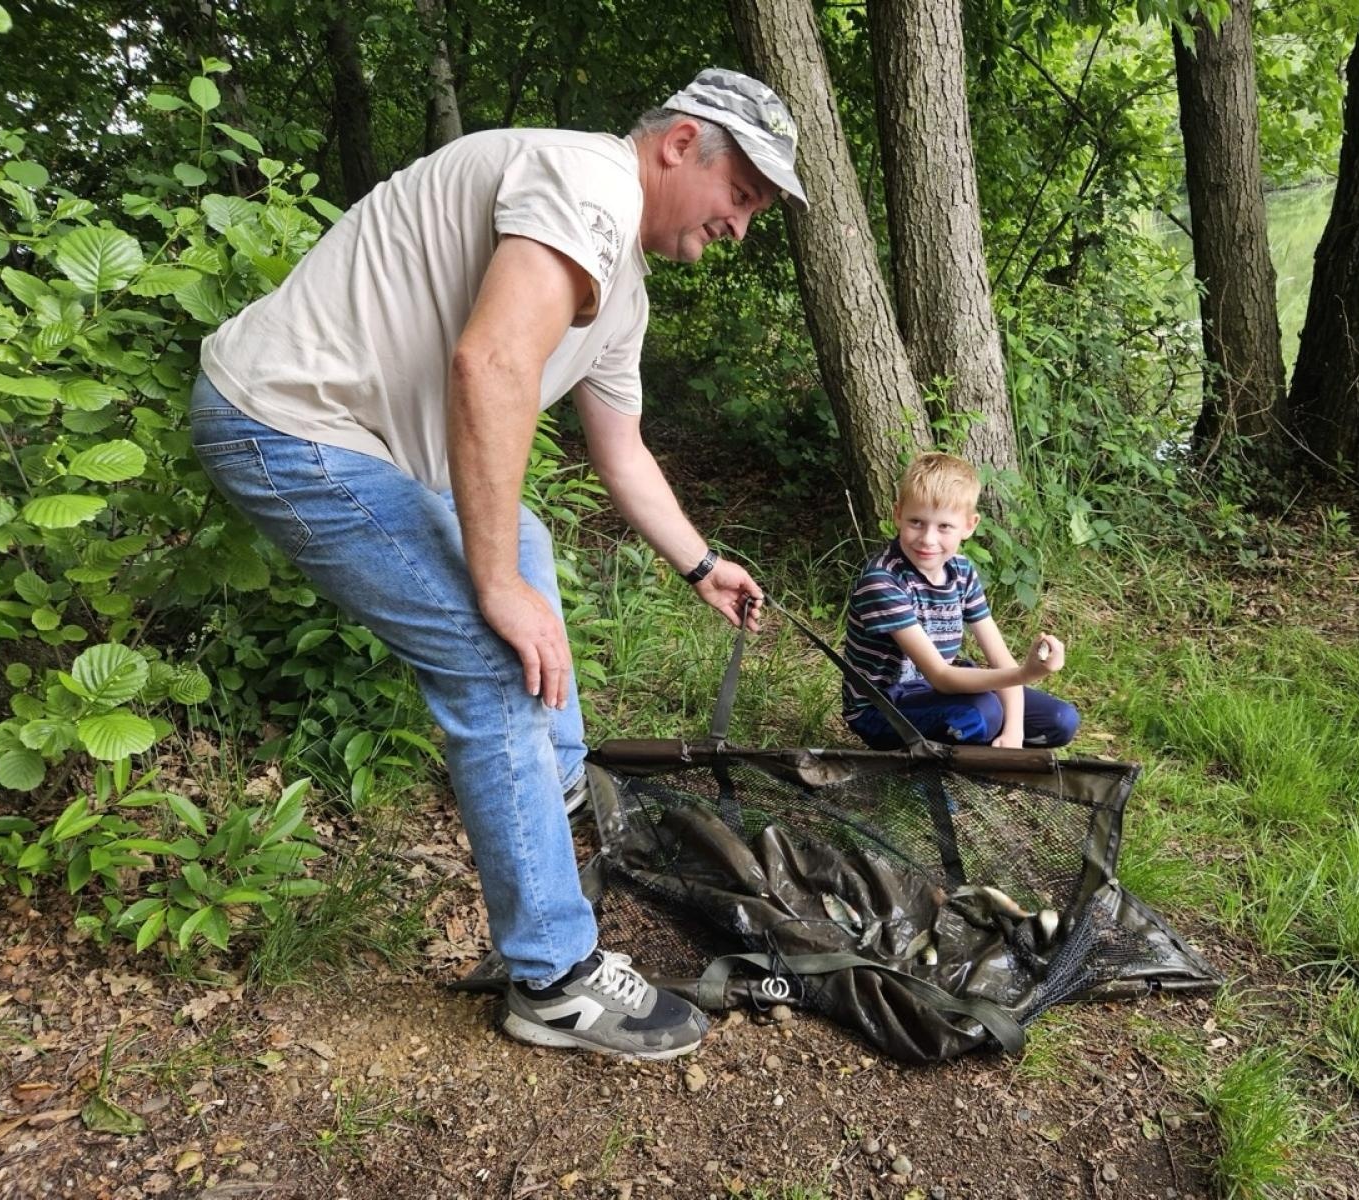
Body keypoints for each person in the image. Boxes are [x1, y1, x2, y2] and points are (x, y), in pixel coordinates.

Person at [188, 68, 808, 1060]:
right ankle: (552, 979)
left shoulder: (622, 286)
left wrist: (702, 566)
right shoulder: (587, 182)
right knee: (493, 654)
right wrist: (495, 588)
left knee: (527, 540)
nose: (740, 225)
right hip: (287, 424)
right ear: (680, 143)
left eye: (757, 211)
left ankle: (549, 799)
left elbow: (621, 451)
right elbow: (493, 363)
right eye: (740, 194)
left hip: (360, 445)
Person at [842, 452, 1080, 751]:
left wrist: (1014, 732)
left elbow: (1000, 659)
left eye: (944, 526)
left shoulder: (962, 571)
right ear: (898, 514)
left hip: (934, 694)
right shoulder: (883, 580)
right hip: (882, 709)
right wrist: (1027, 674)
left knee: (1060, 720)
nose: (928, 539)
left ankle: (983, 748)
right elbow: (941, 677)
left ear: (969, 525)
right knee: (983, 713)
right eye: (916, 522)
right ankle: (953, 758)